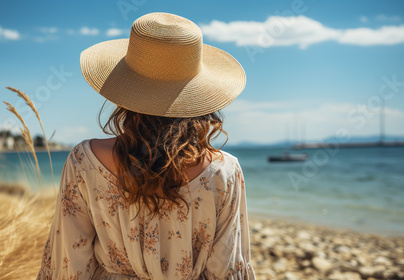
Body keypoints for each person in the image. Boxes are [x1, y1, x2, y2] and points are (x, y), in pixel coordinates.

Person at [36, 12, 256, 280]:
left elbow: (70, 263)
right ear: (197, 92)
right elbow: (226, 269)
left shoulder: (85, 160)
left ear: (126, 89)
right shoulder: (224, 171)